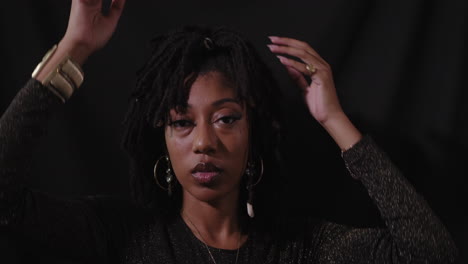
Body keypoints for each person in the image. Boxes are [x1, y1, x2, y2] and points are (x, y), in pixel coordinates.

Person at [0, 0, 458, 263]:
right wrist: (74, 48)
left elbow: (432, 253)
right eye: (182, 122)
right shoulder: (121, 235)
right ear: (160, 136)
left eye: (225, 118)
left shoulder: (301, 248)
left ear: (252, 131)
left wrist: (334, 120)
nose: (203, 142)